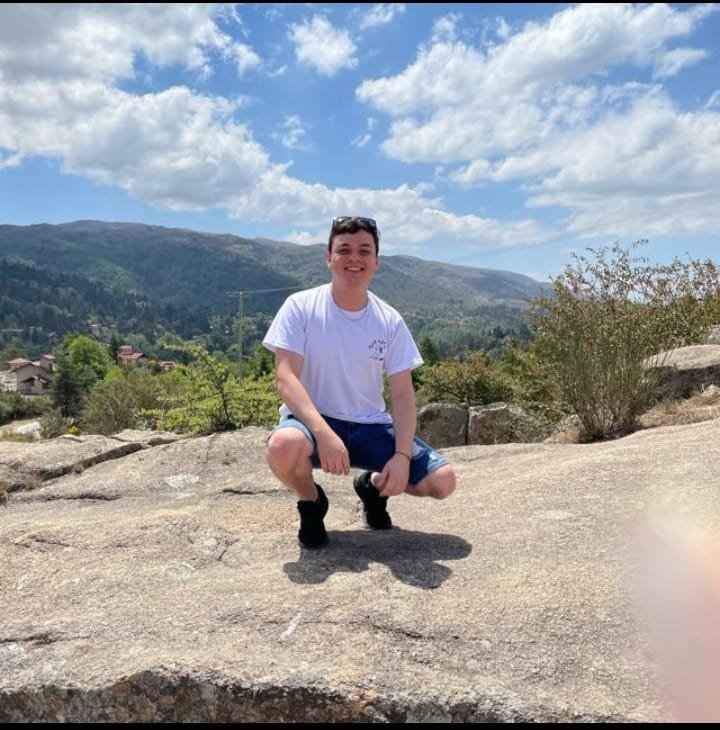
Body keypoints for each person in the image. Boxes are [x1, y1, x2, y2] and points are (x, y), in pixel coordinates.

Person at [263, 216, 456, 548]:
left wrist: (402, 457)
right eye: (344, 250)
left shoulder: (389, 320)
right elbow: (286, 377)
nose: (354, 258)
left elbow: (403, 395)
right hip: (312, 424)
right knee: (283, 447)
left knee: (442, 481)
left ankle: (372, 486)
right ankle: (311, 502)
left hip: (370, 426)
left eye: (364, 251)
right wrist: (324, 433)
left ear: (376, 261)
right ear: (329, 258)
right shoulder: (300, 307)